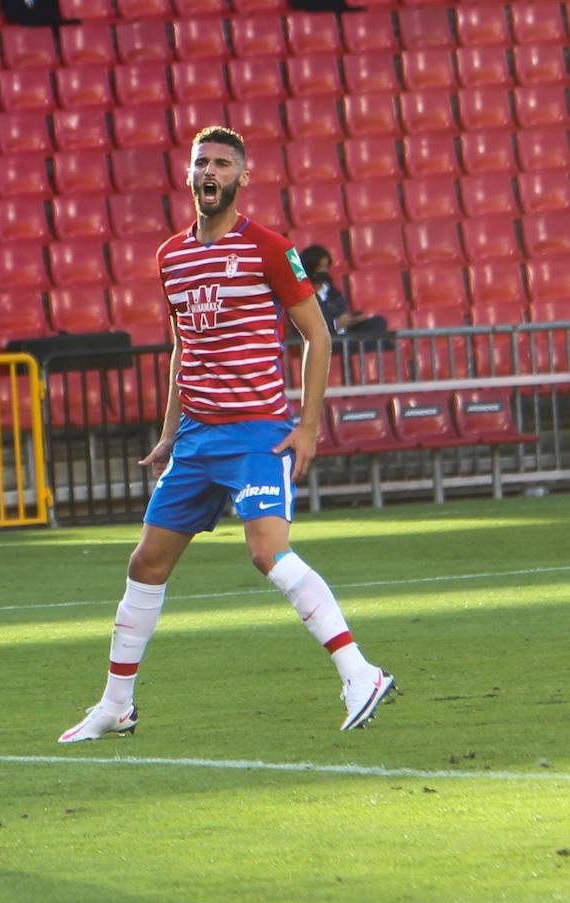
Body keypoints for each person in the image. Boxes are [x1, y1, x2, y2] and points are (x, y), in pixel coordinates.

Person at [58, 126, 396, 743]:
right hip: (196, 436)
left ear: (242, 178)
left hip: (256, 433)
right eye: (200, 162)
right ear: (188, 176)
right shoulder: (171, 256)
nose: (209, 171)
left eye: (221, 163)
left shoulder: (269, 248)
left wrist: (308, 427)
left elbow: (317, 336)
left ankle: (359, 672)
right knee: (146, 563)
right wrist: (168, 435)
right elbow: (182, 348)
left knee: (268, 552)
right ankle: (116, 705)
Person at [299, 244, 388, 338]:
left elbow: (344, 314)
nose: (324, 271)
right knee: (379, 342)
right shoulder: (303, 296)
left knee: (378, 322)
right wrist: (336, 324)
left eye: (326, 267)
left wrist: (353, 319)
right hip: (326, 340)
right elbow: (307, 327)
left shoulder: (333, 292)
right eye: (321, 267)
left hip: (346, 334)